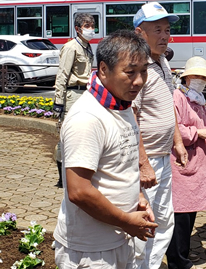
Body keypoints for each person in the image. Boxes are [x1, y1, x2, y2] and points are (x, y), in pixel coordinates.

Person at [53, 30, 158, 269]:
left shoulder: (122, 106)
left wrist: (138, 198)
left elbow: (122, 166)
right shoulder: (88, 118)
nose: (139, 80)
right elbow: (79, 191)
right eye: (130, 72)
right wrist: (126, 221)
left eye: (144, 71)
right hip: (91, 252)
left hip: (119, 239)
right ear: (103, 70)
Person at [133, 1, 189, 269]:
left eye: (167, 29)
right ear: (139, 33)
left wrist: (178, 142)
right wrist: (143, 163)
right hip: (144, 162)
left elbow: (169, 106)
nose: (165, 35)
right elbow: (131, 118)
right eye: (157, 29)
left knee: (165, 220)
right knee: (143, 221)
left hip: (163, 157)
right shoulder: (135, 67)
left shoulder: (163, 61)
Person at [165, 56, 206, 269]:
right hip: (181, 161)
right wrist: (199, 132)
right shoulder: (177, 97)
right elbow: (173, 128)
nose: (199, 80)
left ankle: (183, 253)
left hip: (196, 161)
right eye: (195, 76)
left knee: (190, 211)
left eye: (203, 77)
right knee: (180, 214)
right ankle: (177, 259)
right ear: (186, 78)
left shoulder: (197, 99)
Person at [52, 13, 95, 188]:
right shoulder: (71, 47)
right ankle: (62, 178)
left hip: (85, 94)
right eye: (87, 25)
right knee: (66, 136)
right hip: (71, 96)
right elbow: (62, 75)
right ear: (78, 28)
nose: (90, 29)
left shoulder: (87, 46)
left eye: (92, 25)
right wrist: (58, 102)